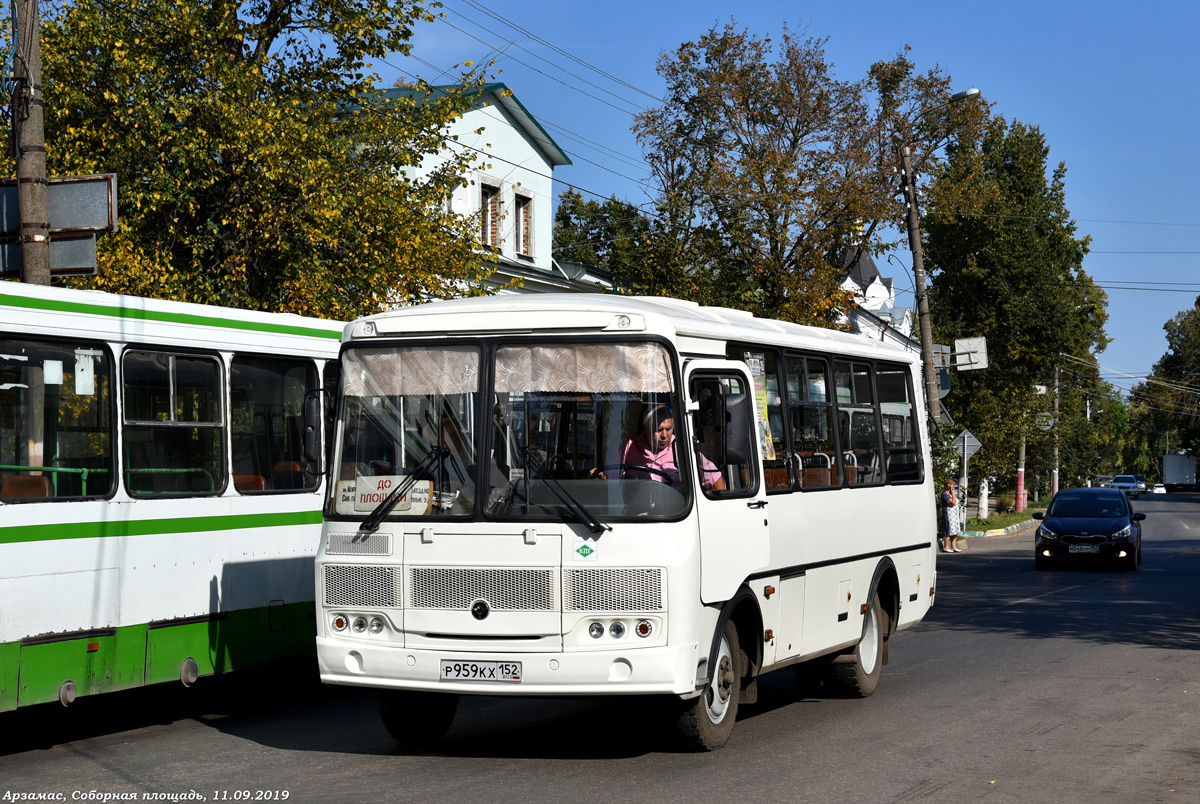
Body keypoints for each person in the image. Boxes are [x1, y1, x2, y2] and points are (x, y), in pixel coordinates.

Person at [592, 404, 725, 491]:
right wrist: (599, 475)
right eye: (658, 429)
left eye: (668, 429)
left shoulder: (683, 448)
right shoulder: (629, 448)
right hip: (637, 514)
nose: (664, 435)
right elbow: (609, 476)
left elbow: (714, 477)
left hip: (677, 515)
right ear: (645, 429)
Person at [941, 478, 962, 553]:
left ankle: (954, 547)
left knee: (954, 530)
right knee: (948, 530)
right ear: (949, 487)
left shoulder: (949, 494)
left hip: (954, 516)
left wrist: (957, 505)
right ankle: (946, 547)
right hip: (948, 515)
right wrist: (953, 493)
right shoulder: (945, 494)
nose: (954, 489)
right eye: (953, 487)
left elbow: (954, 503)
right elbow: (952, 502)